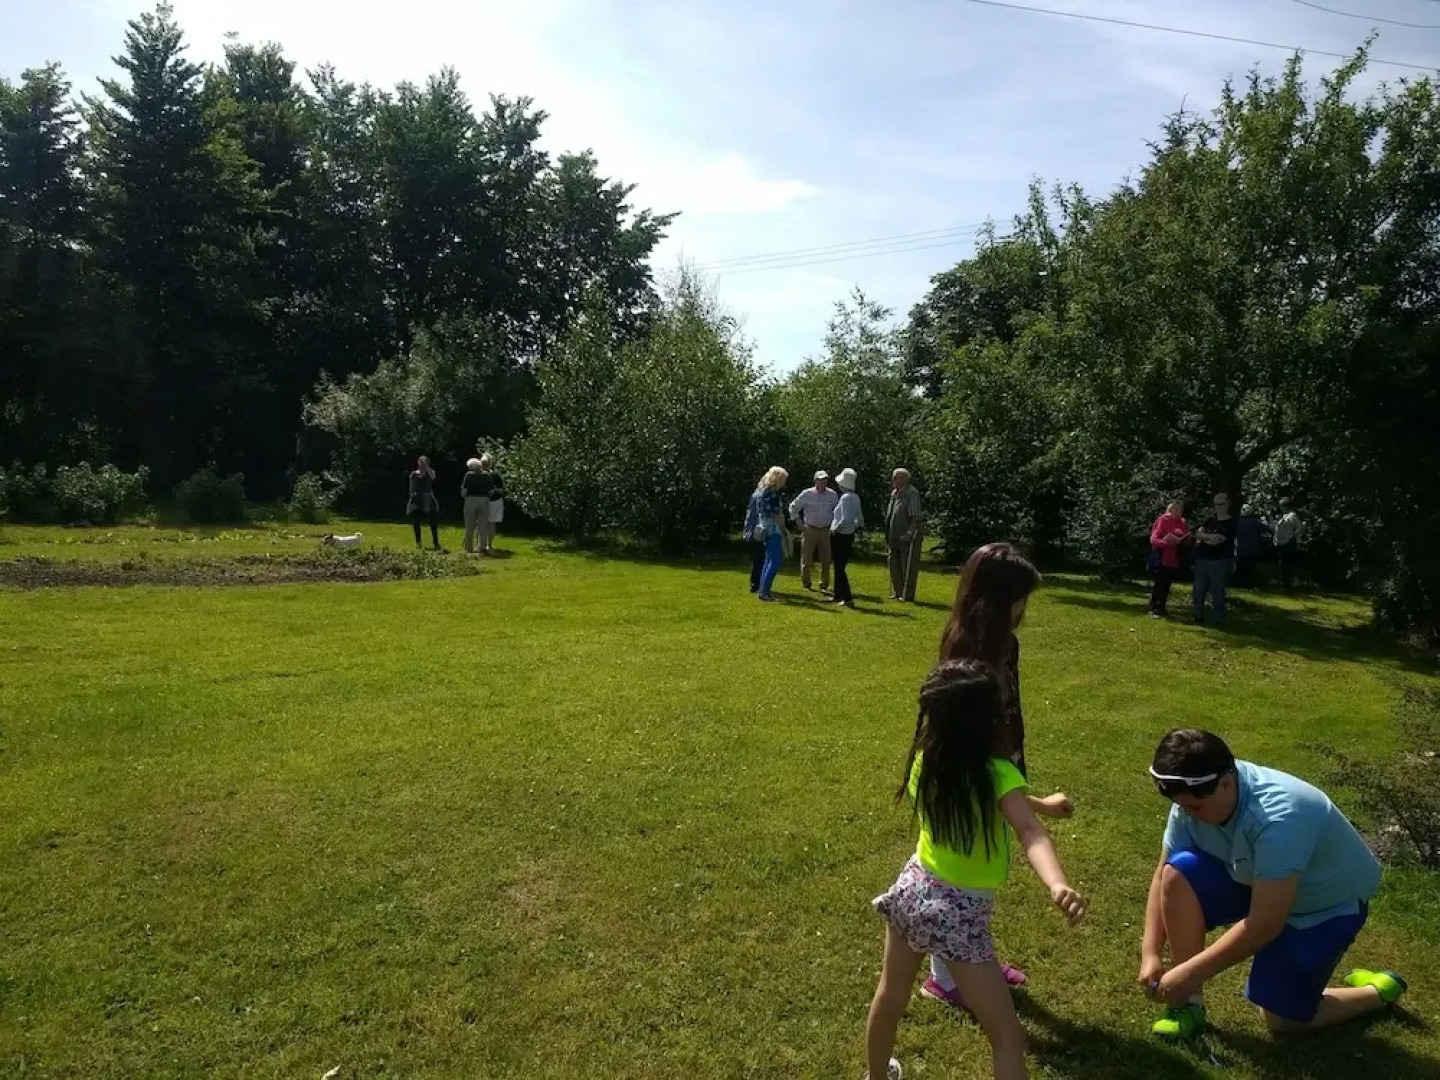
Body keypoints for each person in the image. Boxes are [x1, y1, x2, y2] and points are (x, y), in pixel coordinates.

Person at [866, 659, 1087, 1080]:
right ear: (985, 722)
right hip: (959, 914)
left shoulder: (926, 762)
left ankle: (876, 1077)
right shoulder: (998, 773)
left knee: (890, 997)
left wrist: (1037, 802)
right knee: (1007, 1036)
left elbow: (988, 800)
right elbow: (1027, 831)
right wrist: (1057, 883)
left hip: (913, 889)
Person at [1139, 728, 1406, 1040]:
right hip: (1257, 879)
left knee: (1283, 1021)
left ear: (1227, 782)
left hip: (1323, 906)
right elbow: (1162, 876)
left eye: (1195, 808)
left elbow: (1265, 924)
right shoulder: (1195, 795)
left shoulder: (1280, 816)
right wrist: (1151, 954)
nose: (1187, 815)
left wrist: (1190, 972)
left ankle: (1378, 991)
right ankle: (1187, 1006)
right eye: (1180, 805)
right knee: (1177, 873)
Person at [924, 543, 1074, 1010]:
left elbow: (1009, 713)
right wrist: (1029, 803)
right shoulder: (967, 650)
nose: (1024, 611)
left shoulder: (1003, 643)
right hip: (973, 767)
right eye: (1019, 601)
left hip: (998, 764)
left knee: (977, 880)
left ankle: (973, 958)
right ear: (995, 602)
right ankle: (947, 978)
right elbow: (966, 750)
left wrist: (1028, 793)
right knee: (959, 880)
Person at [790, 471, 841, 593]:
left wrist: (835, 525)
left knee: (826, 559)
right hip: (810, 529)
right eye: (820, 480)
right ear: (815, 481)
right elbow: (793, 507)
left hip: (825, 530)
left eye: (825, 480)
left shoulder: (832, 495)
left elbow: (838, 511)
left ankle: (824, 584)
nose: (823, 482)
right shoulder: (807, 494)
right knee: (806, 559)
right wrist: (798, 521)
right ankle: (806, 583)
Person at [1192, 493, 1237, 625]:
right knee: (1198, 590)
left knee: (1218, 592)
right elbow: (1197, 535)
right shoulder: (1209, 521)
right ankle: (1198, 617)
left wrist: (1203, 537)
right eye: (1216, 504)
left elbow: (1217, 540)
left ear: (1228, 504)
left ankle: (1219, 620)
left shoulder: (1231, 523)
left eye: (1221, 504)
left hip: (1220, 560)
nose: (1218, 507)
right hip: (1202, 559)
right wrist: (1208, 537)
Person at [750, 466, 789, 602]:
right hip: (773, 529)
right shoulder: (772, 493)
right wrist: (783, 526)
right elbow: (776, 514)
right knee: (775, 561)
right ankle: (764, 592)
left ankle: (763, 590)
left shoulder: (762, 492)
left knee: (768, 560)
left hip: (765, 529)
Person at [885, 468, 924, 603]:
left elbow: (915, 516)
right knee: (893, 563)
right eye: (893, 477)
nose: (894, 480)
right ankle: (898, 592)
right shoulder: (894, 494)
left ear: (905, 479)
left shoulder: (911, 493)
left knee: (907, 565)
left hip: (908, 537)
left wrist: (909, 533)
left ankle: (907, 594)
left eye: (897, 478)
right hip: (893, 536)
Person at [1147, 502, 1190, 618]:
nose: (1177, 512)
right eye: (1174, 510)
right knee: (1159, 584)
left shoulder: (1182, 522)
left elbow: (1186, 538)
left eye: (1179, 510)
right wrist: (1166, 542)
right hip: (1162, 557)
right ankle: (1154, 609)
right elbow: (1154, 539)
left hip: (1174, 558)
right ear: (1168, 510)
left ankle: (1162, 608)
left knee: (1167, 585)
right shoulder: (1163, 520)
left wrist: (1185, 540)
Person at [830, 468, 864, 608]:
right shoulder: (855, 497)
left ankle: (847, 597)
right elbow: (859, 519)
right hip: (848, 535)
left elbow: (844, 519)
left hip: (841, 535)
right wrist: (852, 528)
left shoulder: (845, 498)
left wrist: (835, 529)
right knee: (839, 566)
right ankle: (838, 594)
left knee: (839, 567)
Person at [406, 456, 443, 551]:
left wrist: (427, 467)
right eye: (420, 461)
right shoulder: (414, 474)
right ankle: (418, 542)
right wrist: (411, 499)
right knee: (416, 521)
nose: (422, 463)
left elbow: (433, 476)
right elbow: (411, 487)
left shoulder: (430, 473)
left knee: (433, 521)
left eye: (424, 462)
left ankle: (435, 542)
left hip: (428, 499)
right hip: (417, 498)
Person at [1233, 504, 1268, 590]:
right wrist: (1265, 520)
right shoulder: (1255, 522)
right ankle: (1249, 585)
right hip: (1252, 550)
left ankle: (1240, 585)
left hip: (1240, 549)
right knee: (1250, 569)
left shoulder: (1237, 522)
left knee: (1241, 568)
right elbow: (1266, 528)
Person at [1273, 499, 1305, 589]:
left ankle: (1288, 583)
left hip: (1289, 543)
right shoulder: (1285, 516)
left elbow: (1299, 528)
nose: (1280, 508)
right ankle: (1285, 581)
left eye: (1281, 506)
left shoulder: (1292, 516)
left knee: (1287, 563)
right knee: (1283, 563)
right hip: (1282, 543)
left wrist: (1292, 536)